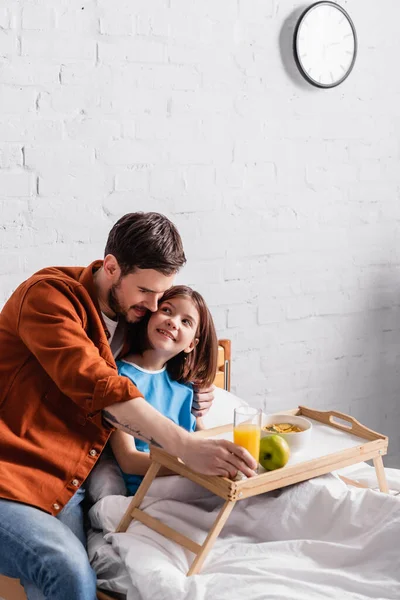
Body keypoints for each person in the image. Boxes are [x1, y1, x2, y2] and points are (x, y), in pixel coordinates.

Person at [0, 211, 257, 600]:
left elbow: (175, 359)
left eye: (161, 295)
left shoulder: (133, 318)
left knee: (80, 576)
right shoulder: (48, 297)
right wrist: (185, 446)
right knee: (66, 571)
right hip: (10, 474)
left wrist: (201, 387)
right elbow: (100, 385)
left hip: (68, 483)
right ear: (111, 267)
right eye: (146, 292)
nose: (155, 307)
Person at [110, 285, 218, 496]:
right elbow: (128, 460)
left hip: (190, 478)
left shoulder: (184, 384)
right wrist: (191, 466)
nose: (173, 321)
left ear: (191, 344)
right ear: (150, 316)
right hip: (150, 487)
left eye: (186, 321)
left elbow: (200, 436)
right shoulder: (120, 378)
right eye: (167, 310)